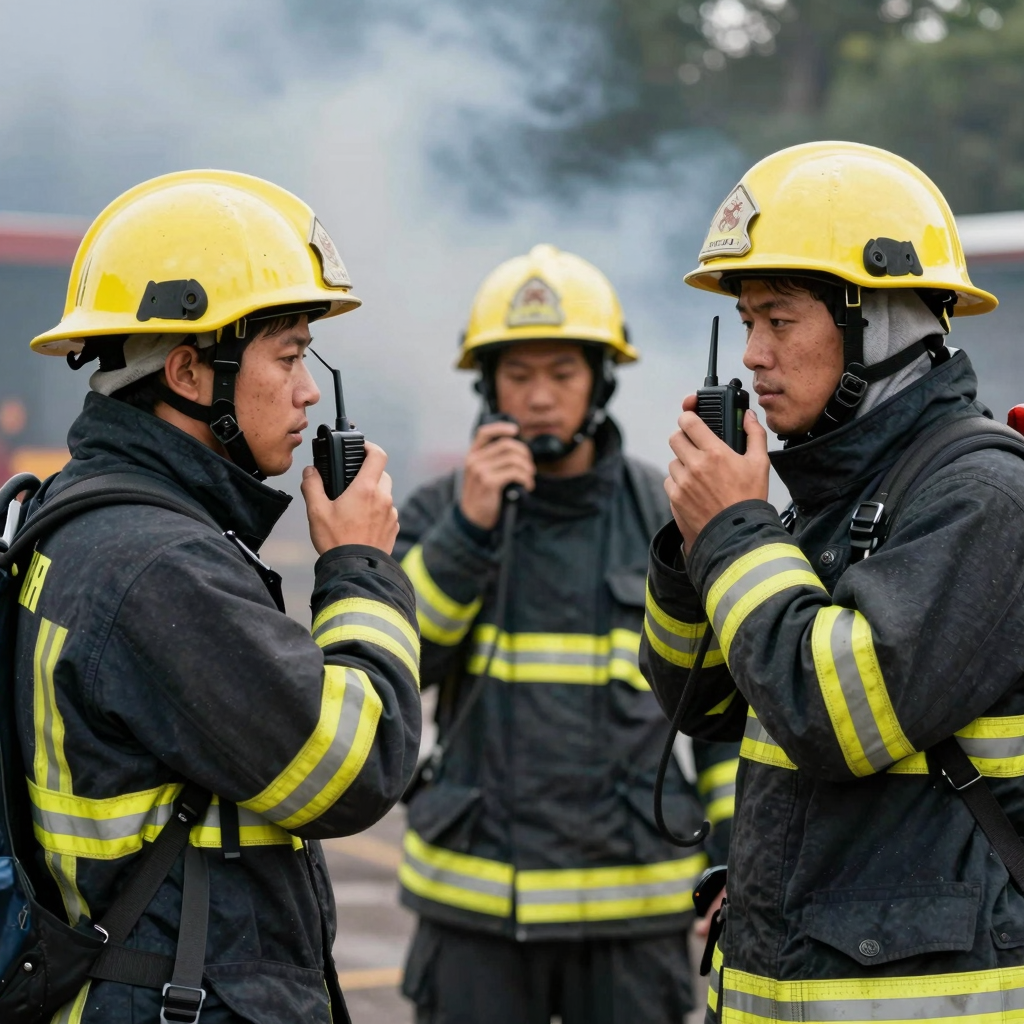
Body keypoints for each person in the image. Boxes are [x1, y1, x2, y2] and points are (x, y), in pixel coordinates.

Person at [12, 171, 421, 1023]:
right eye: (289, 353)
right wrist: (360, 567)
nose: (309, 390)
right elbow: (356, 766)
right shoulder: (154, 563)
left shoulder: (84, 518)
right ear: (193, 373)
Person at [640, 140, 1024, 1022]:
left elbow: (833, 718)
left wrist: (733, 533)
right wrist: (693, 540)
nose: (753, 357)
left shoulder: (983, 497)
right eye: (745, 325)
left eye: (780, 320)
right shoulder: (826, 499)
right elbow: (700, 702)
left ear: (878, 322)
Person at [395, 244, 739, 1024]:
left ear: (601, 379)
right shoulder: (436, 512)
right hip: (474, 911)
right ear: (487, 386)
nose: (540, 398)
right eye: (518, 376)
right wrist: (467, 535)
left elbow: (721, 715)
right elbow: (397, 666)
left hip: (632, 919)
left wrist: (731, 860)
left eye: (561, 374)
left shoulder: (671, 510)